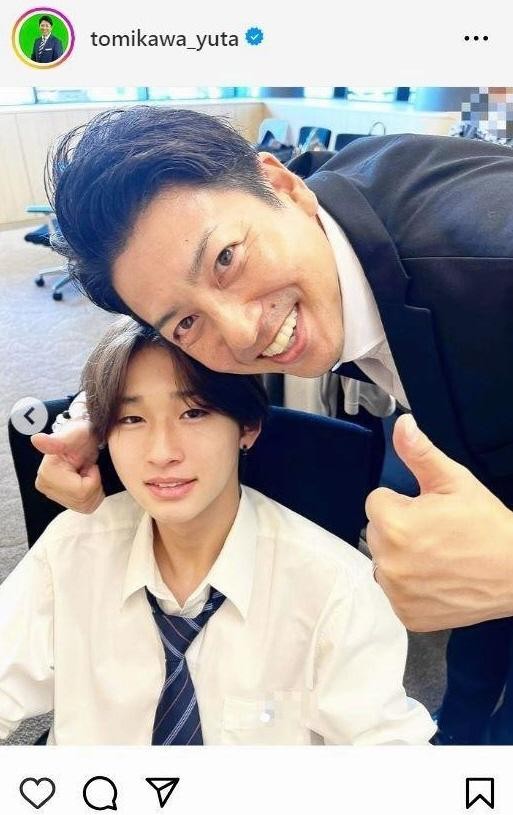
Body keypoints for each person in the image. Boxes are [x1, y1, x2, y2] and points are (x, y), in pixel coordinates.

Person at [31, 106, 513, 744]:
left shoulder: (493, 270)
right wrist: (100, 412)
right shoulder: (300, 203)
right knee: (478, 657)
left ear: (282, 186)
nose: (240, 334)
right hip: (480, 456)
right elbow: (163, 304)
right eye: (187, 322)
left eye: (226, 260)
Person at [0, 317, 434, 745]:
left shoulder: (335, 588)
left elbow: (388, 747)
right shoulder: (71, 549)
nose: (162, 453)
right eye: (131, 419)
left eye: (194, 413)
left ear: (248, 427)